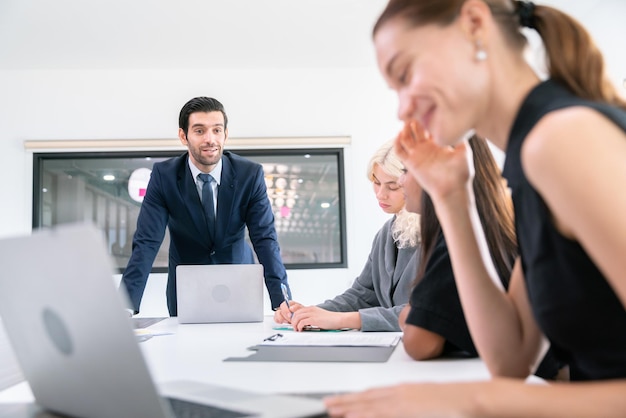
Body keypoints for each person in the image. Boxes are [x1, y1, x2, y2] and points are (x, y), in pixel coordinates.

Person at [325, 1, 626, 417]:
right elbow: (510, 358)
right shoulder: (529, 162)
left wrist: (471, 399)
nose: (402, 107)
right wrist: (452, 200)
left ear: (473, 23)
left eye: (406, 73)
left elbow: (502, 385)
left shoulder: (562, 139)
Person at [120, 97, 290, 316]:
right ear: (184, 136)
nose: (210, 139)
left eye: (217, 130)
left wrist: (282, 301)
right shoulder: (164, 177)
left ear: (225, 134)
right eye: (199, 131)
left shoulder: (249, 175)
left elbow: (265, 238)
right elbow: (146, 242)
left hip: (238, 282)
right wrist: (125, 305)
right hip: (186, 286)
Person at [275, 140, 421, 331]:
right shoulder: (386, 234)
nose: (380, 194)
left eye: (392, 187)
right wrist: (311, 313)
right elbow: (362, 295)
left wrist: (344, 320)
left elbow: (425, 312)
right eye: (376, 183)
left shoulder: (438, 231)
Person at [398, 134, 520, 360]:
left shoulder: (458, 240)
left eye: (406, 171)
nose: (400, 182)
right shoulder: (492, 228)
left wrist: (410, 316)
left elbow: (420, 343)